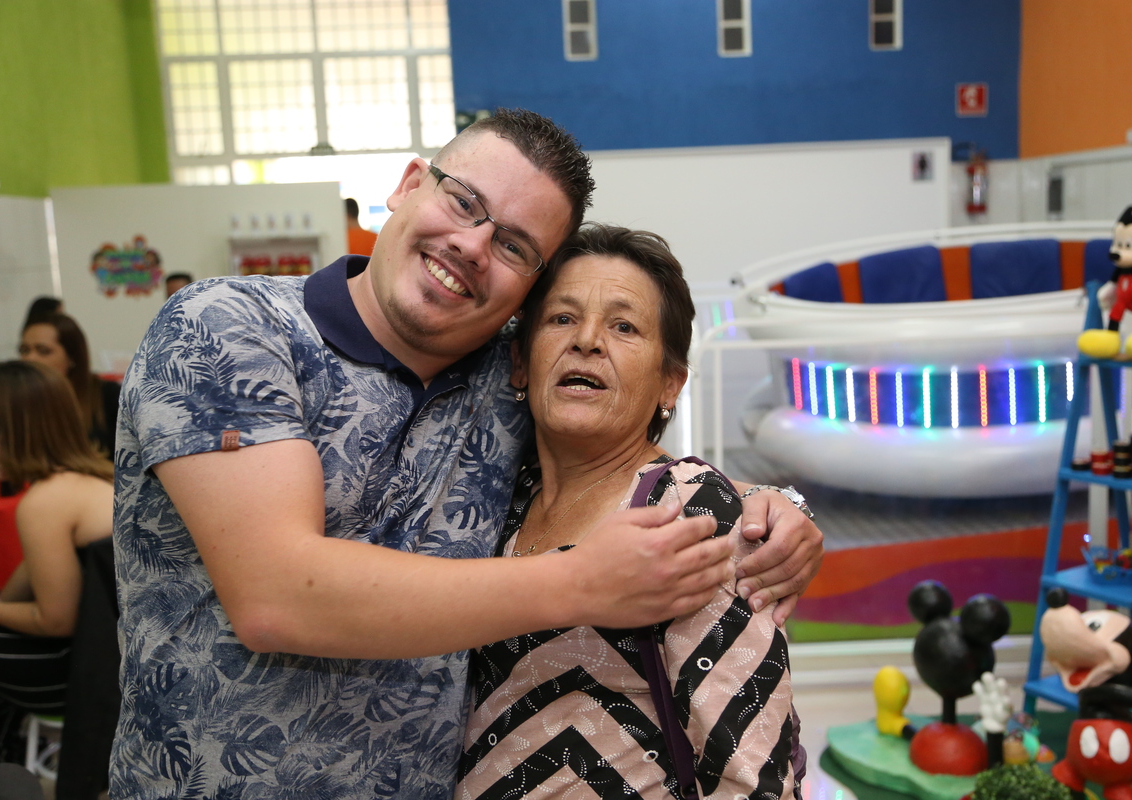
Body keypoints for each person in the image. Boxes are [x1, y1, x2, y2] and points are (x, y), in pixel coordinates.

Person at [112, 109, 823, 798]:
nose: (473, 246)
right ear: (407, 185)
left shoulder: (504, 379)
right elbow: (274, 595)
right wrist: (579, 581)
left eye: (514, 245)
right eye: (463, 202)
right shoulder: (229, 328)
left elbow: (613, 448)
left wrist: (771, 508)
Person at [457, 224, 805, 799]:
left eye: (624, 327)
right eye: (562, 318)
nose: (587, 340)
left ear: (670, 384)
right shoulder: (500, 503)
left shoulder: (689, 512)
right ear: (520, 363)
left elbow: (753, 777)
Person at [0, 361, 113, 763]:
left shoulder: (45, 502)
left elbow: (56, 621)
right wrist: (0, 603)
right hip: (113, 658)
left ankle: (3, 765)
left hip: (86, 676)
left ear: (5, 429)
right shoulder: (95, 478)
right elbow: (35, 572)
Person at [18, 313, 121, 458]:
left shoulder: (108, 395)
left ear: (72, 357)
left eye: (43, 351)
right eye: (24, 350)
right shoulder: (17, 399)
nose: (29, 358)